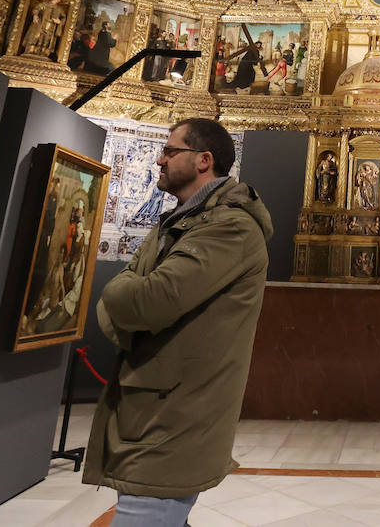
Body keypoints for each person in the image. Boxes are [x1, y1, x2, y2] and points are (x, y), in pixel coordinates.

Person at [83, 118, 272, 526]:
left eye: (170, 151)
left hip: (174, 414)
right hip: (153, 406)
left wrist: (124, 297)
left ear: (203, 160)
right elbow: (128, 298)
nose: (159, 159)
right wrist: (127, 299)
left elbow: (148, 299)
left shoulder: (230, 226)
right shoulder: (181, 220)